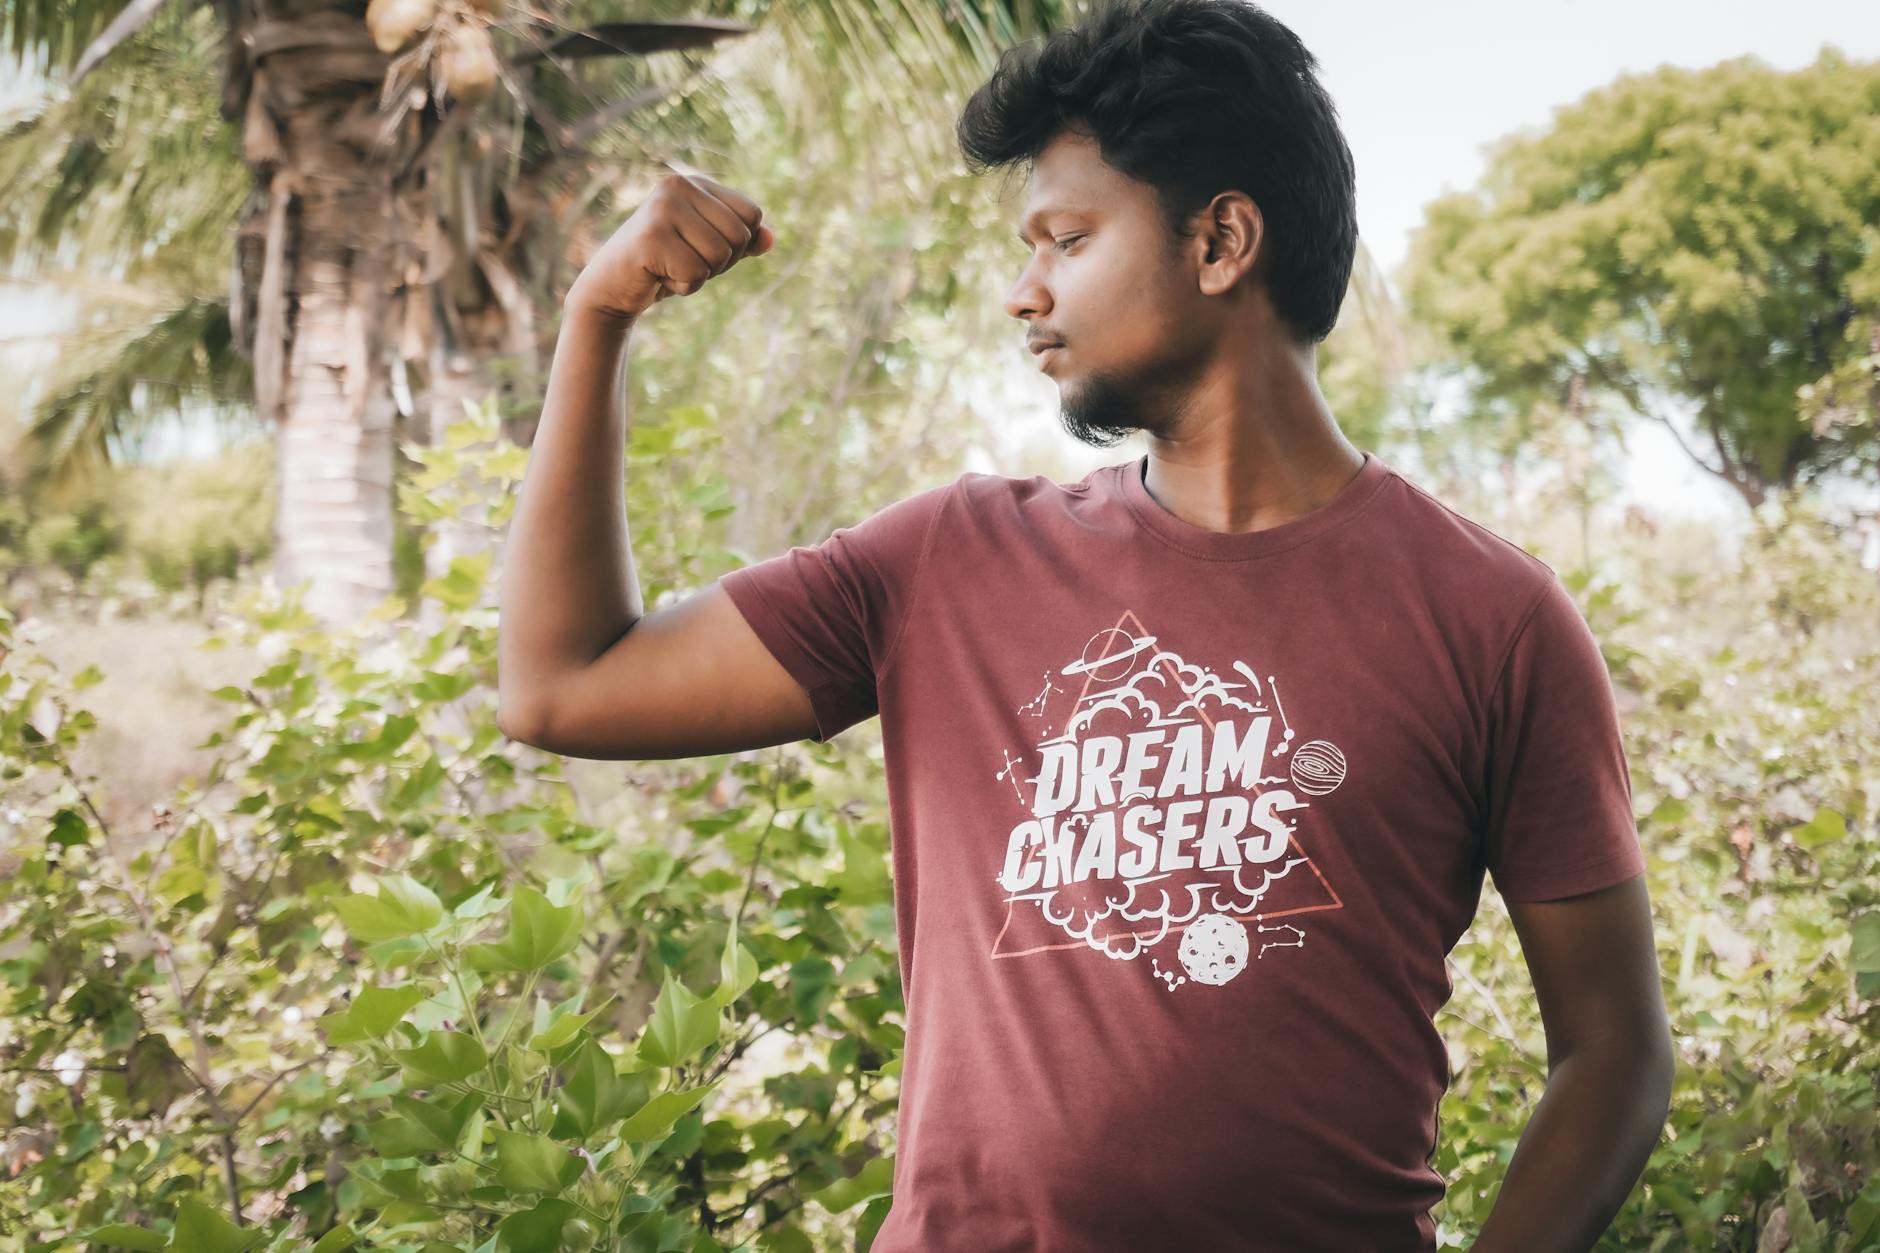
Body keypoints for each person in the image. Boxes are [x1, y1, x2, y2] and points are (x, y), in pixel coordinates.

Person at [497, 0, 1675, 1247]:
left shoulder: (1490, 618)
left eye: (1064, 238)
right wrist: (600, 316)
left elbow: (1611, 1053)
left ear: (1220, 239)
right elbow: (563, 685)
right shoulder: (943, 561)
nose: (1023, 293)